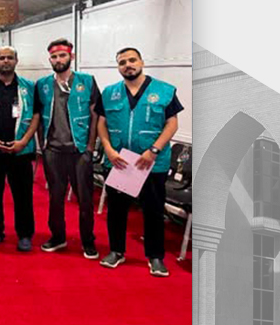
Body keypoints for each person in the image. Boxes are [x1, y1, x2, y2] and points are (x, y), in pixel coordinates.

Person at [96, 47, 183, 277]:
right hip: (120, 162)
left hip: (151, 163)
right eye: (122, 62)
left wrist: (154, 150)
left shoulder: (163, 90)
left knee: (153, 211)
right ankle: (116, 251)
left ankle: (155, 257)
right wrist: (108, 149)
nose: (128, 65)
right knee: (116, 211)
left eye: (132, 60)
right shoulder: (110, 93)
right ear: (118, 67)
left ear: (142, 62)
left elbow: (172, 123)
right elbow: (101, 123)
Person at [35, 38, 101, 259]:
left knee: (84, 199)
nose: (58, 60)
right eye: (54, 57)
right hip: (53, 150)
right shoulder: (43, 85)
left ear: (71, 57)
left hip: (79, 150)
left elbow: (95, 115)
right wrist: (42, 146)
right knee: (55, 197)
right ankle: (58, 236)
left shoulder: (87, 82)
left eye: (62, 55)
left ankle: (88, 241)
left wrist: (90, 147)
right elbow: (38, 117)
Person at [0, 46, 40, 251]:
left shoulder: (29, 87)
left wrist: (24, 141)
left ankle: (25, 234)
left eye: (9, 58)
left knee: (23, 195)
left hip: (20, 151)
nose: (6, 61)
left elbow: (36, 116)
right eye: (2, 58)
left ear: (16, 61)